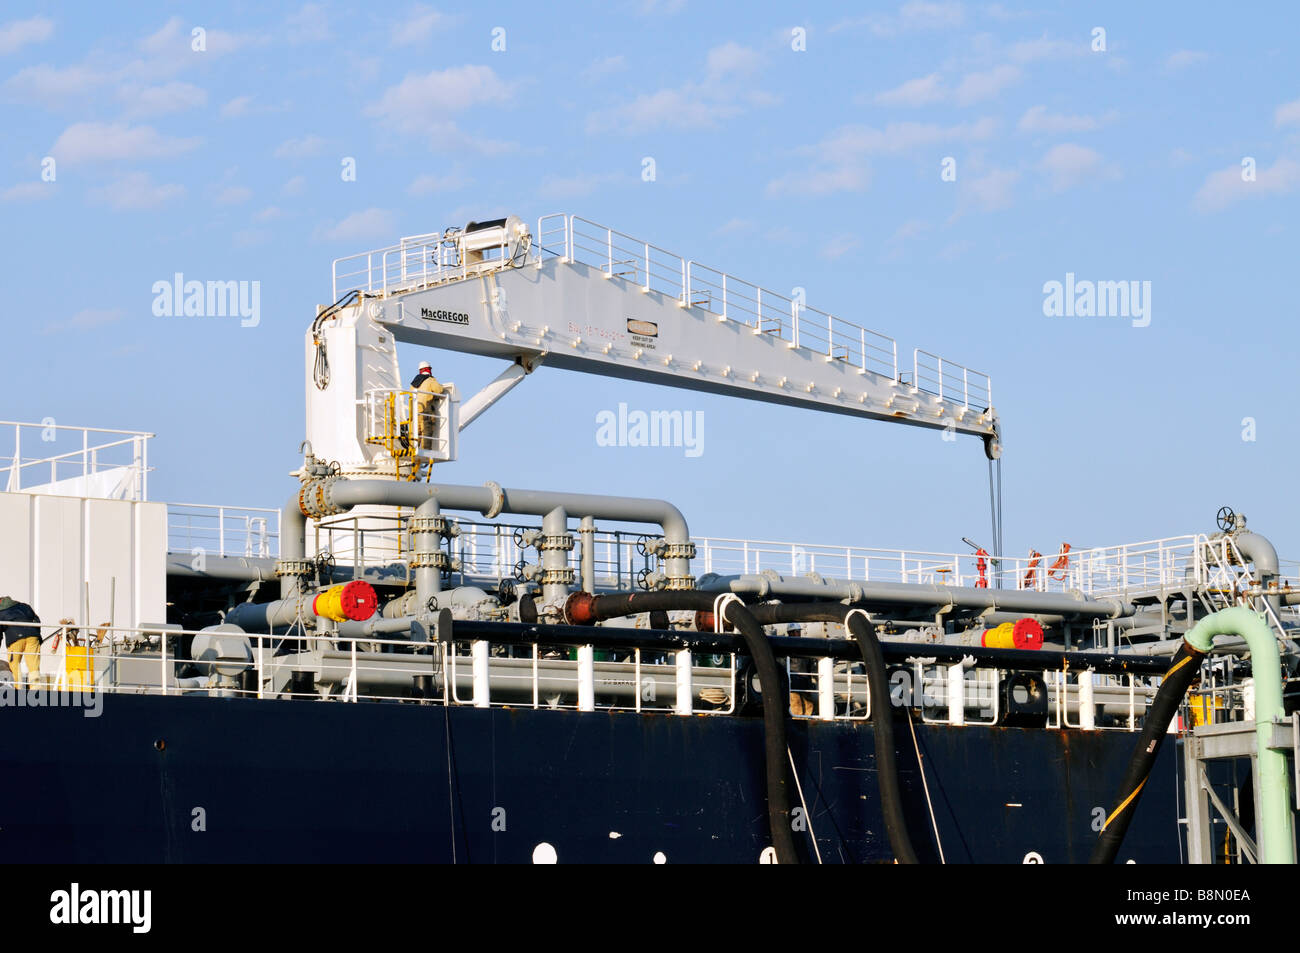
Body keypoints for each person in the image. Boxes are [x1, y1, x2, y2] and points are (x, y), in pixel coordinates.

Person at [410, 361, 445, 475]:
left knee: (416, 433)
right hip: (426, 410)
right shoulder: (430, 380)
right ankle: (424, 452)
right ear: (429, 369)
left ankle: (412, 450)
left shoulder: (414, 383)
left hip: (414, 412)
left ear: (420, 371)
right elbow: (439, 390)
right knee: (426, 432)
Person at [0, 595, 42, 689]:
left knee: (14, 663)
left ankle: (18, 688)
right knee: (33, 664)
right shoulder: (24, 606)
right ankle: (36, 688)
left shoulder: (1, 611)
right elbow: (37, 620)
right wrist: (37, 636)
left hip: (15, 638)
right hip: (33, 636)